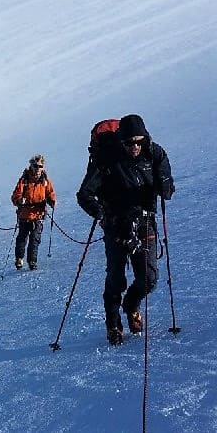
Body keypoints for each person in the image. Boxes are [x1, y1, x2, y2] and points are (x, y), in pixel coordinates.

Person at [77, 114, 175, 345]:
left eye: (139, 142)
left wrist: (164, 183)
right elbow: (84, 195)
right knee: (116, 278)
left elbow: (168, 191)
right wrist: (103, 215)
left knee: (149, 277)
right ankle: (113, 324)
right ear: (121, 140)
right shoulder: (107, 160)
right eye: (129, 142)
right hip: (116, 227)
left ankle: (131, 305)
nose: (135, 147)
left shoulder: (155, 154)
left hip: (146, 222)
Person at [11, 155, 56, 270]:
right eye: (35, 166)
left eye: (40, 166)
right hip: (25, 214)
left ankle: (32, 261)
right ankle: (19, 258)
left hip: (38, 214)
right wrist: (19, 200)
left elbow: (50, 192)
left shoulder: (45, 181)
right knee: (22, 238)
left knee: (35, 239)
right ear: (31, 166)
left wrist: (52, 201)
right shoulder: (24, 180)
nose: (38, 168)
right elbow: (15, 195)